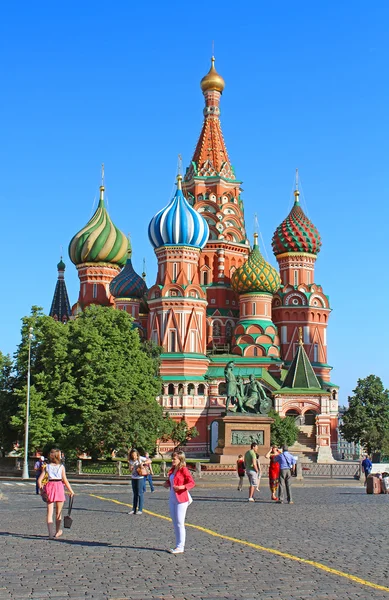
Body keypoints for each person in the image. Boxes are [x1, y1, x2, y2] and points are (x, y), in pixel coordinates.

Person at [38, 448, 74, 539]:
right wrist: (71, 490)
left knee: (49, 512)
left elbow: (39, 480)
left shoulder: (47, 466)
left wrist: (42, 491)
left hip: (50, 487)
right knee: (58, 513)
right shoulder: (61, 467)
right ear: (58, 456)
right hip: (59, 487)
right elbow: (64, 479)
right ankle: (57, 531)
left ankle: (50, 533)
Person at [164, 451, 195, 554]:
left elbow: (191, 482)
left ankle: (180, 546)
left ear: (180, 460)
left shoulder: (183, 469)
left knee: (180, 523)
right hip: (172, 498)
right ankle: (177, 545)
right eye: (172, 458)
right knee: (175, 523)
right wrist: (167, 483)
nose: (172, 460)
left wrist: (182, 487)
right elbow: (172, 480)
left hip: (181, 498)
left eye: (174, 459)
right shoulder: (172, 470)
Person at [128, 449, 148, 515]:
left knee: (140, 493)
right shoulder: (130, 461)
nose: (134, 456)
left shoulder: (140, 458)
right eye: (132, 455)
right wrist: (131, 468)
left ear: (137, 454)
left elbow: (149, 460)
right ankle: (134, 509)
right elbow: (130, 470)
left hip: (140, 478)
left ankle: (140, 509)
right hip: (134, 478)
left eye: (135, 455)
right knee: (135, 494)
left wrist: (143, 463)